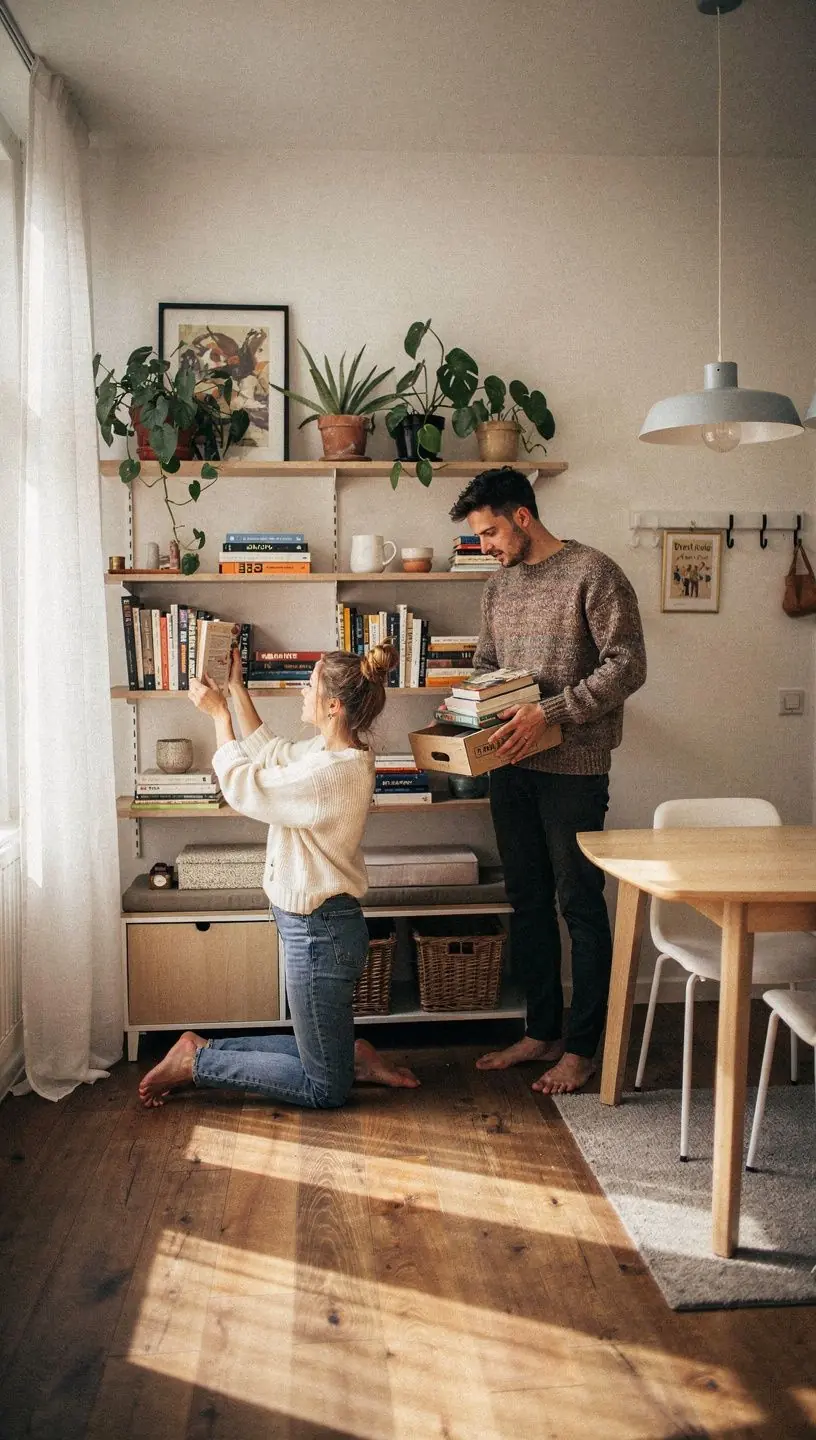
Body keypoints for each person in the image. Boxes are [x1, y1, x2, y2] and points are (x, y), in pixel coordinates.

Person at [139, 643, 419, 1108]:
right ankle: (349, 1057)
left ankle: (198, 1062)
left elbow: (247, 787)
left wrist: (218, 718)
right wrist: (234, 689)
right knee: (322, 1063)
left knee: (323, 1089)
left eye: (308, 684)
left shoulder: (332, 772)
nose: (301, 690)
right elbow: (270, 752)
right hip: (319, 927)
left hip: (320, 931)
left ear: (333, 704)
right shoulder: (328, 753)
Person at [448, 467, 646, 1094]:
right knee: (526, 900)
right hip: (509, 764)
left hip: (574, 769)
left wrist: (550, 713)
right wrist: (467, 711)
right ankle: (540, 1030)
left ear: (523, 517)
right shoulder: (498, 587)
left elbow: (628, 665)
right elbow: (486, 664)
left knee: (580, 903)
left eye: (490, 533)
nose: (486, 548)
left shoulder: (595, 572)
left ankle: (583, 1047)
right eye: (479, 538)